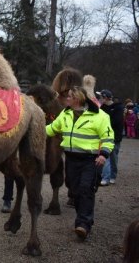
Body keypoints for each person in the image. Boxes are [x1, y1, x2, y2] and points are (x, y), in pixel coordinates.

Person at [46, 86, 114, 240]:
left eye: (69, 96)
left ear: (77, 98)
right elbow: (52, 129)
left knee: (85, 189)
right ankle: (84, 218)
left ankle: (83, 224)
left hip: (90, 160)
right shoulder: (65, 113)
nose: (65, 99)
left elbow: (108, 137)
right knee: (74, 189)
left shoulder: (100, 116)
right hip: (71, 159)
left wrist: (104, 154)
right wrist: (36, 129)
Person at [98, 89, 123, 186]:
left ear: (105, 98)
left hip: (115, 137)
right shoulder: (102, 108)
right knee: (105, 157)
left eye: (101, 97)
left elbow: (115, 122)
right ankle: (105, 178)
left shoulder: (118, 108)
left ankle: (112, 176)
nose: (99, 99)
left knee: (113, 158)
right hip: (104, 137)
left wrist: (103, 124)